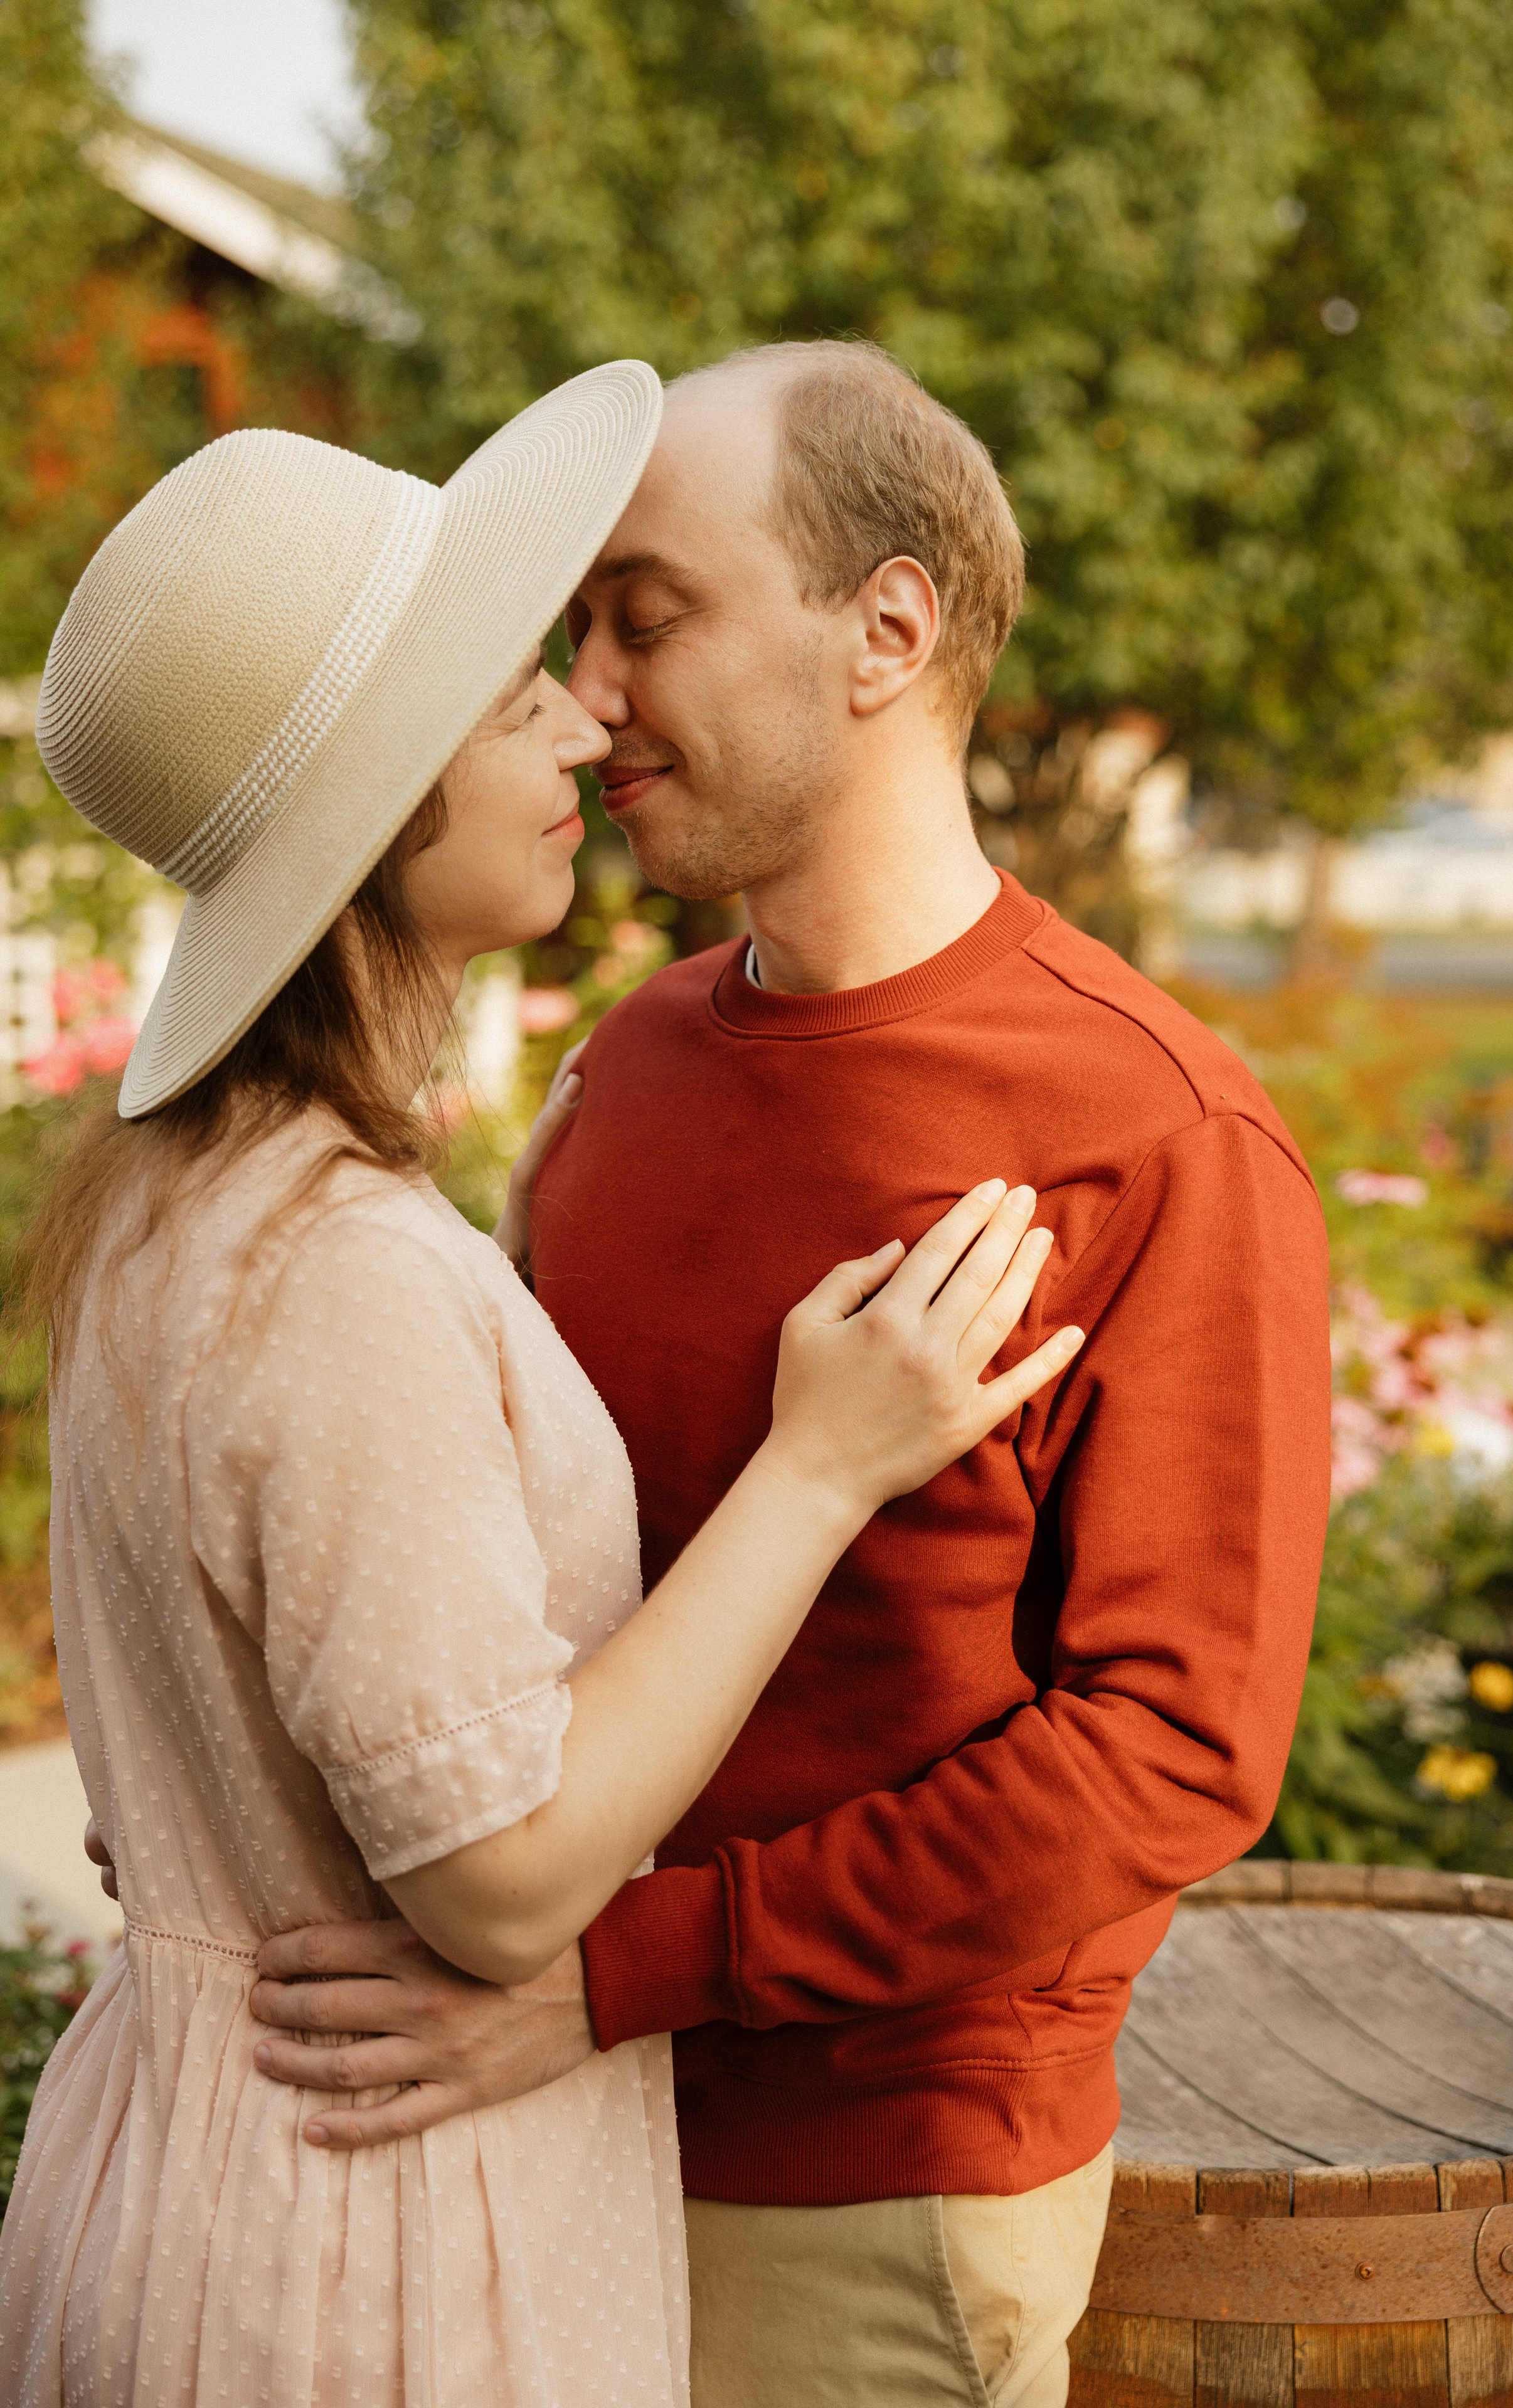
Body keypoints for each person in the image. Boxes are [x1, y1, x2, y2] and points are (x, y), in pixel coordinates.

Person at [244, 342, 1334, 2407]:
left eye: (646, 618)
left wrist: (629, 1974)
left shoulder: (1159, 1134)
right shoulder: (632, 1067)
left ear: (886, 633)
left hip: (861, 2192)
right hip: (526, 2111)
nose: (587, 698)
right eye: (580, 632)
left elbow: (1170, 1751)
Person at [0, 361, 1081, 2408]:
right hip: (367, 2259)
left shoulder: (182, 1203)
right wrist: (820, 1469)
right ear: (386, 800)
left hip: (207, 2165)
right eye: (519, 696)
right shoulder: (335, 1265)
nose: (589, 721)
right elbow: (502, 1884)